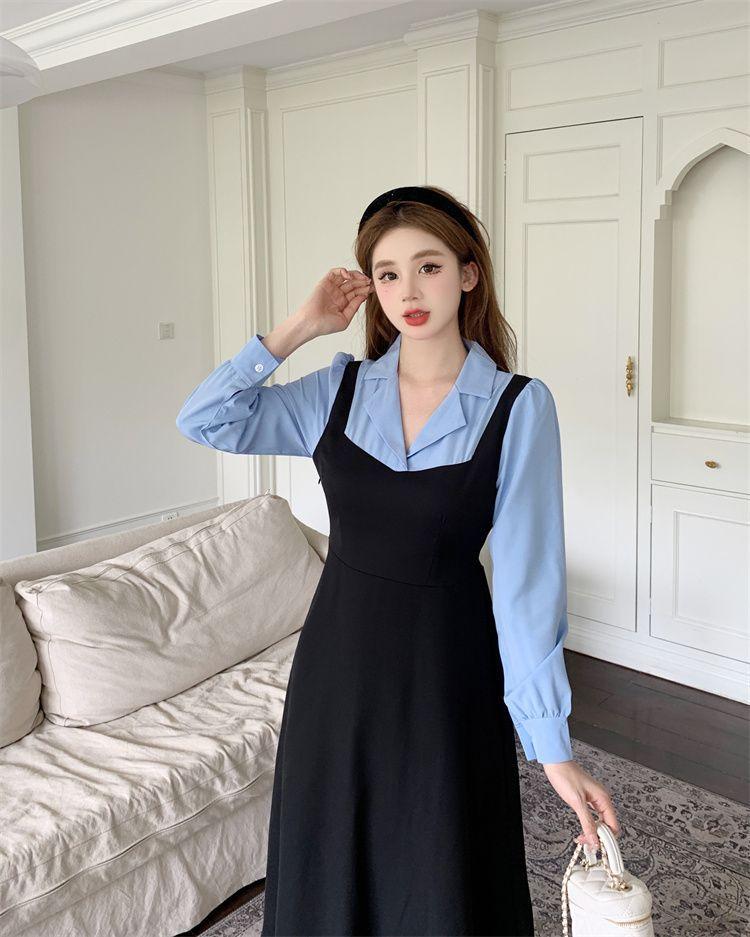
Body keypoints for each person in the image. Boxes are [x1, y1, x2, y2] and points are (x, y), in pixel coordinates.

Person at [175, 184, 620, 936]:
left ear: (468, 274)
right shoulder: (337, 390)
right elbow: (205, 419)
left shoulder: (517, 406)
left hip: (448, 675)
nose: (408, 291)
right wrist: (299, 327)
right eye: (387, 274)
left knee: (440, 864)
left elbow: (526, 587)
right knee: (332, 859)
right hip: (337, 672)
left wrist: (553, 750)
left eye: (428, 267)